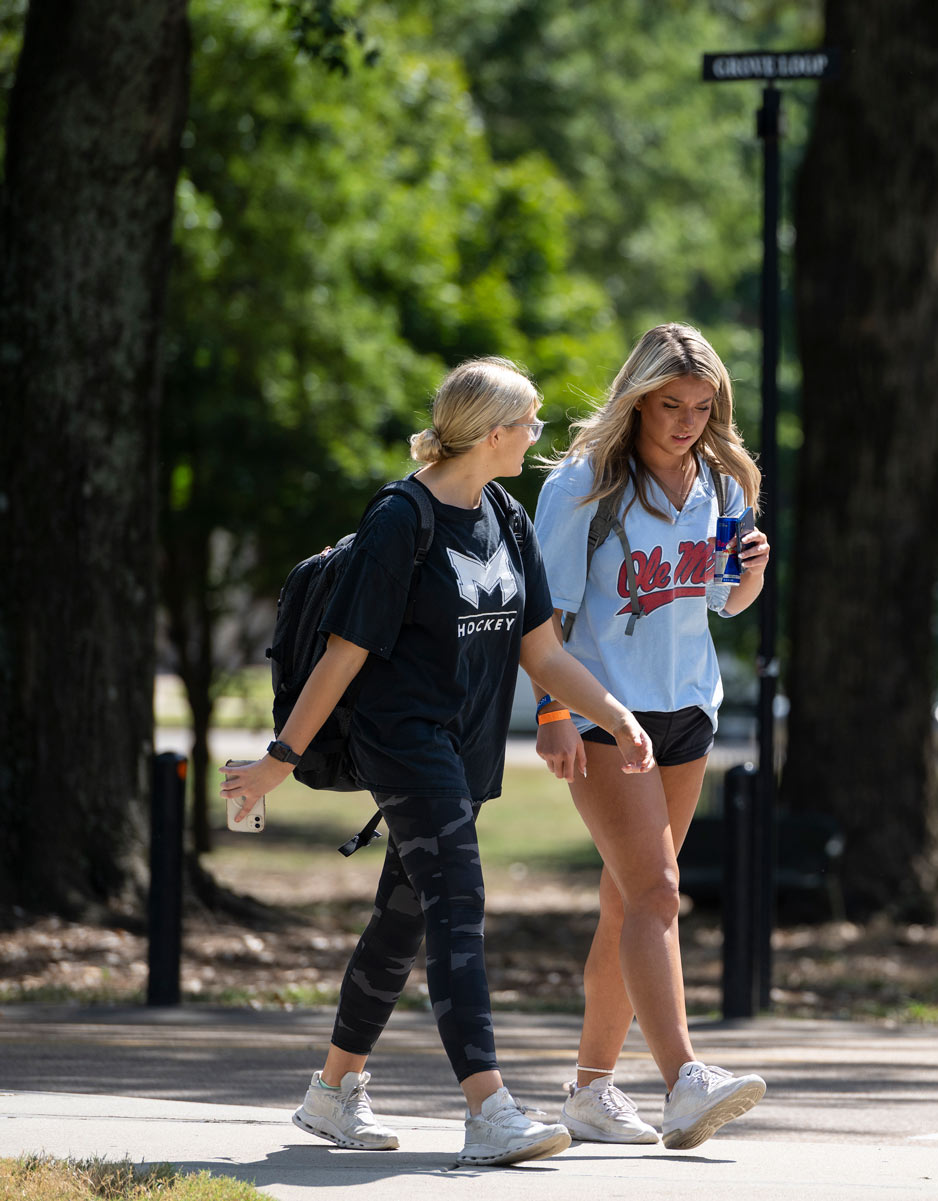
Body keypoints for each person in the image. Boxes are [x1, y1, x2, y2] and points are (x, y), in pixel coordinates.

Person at [220, 357, 656, 1168]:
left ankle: (331, 1089)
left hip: (464, 745)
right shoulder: (402, 517)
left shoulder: (505, 515)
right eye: (527, 424)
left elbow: (543, 652)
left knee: (402, 918)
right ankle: (489, 1107)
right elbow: (344, 654)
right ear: (492, 433)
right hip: (404, 740)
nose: (535, 437)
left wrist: (617, 715)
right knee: (458, 900)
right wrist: (282, 758)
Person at [529, 322, 769, 1150]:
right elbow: (544, 622)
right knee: (660, 890)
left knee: (626, 903)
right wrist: (553, 712)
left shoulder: (721, 481)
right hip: (604, 711)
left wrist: (753, 575)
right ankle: (684, 1080)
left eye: (703, 407)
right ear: (637, 398)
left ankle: (592, 1091)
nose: (687, 422)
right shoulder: (581, 486)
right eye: (670, 405)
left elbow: (718, 602)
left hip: (687, 708)